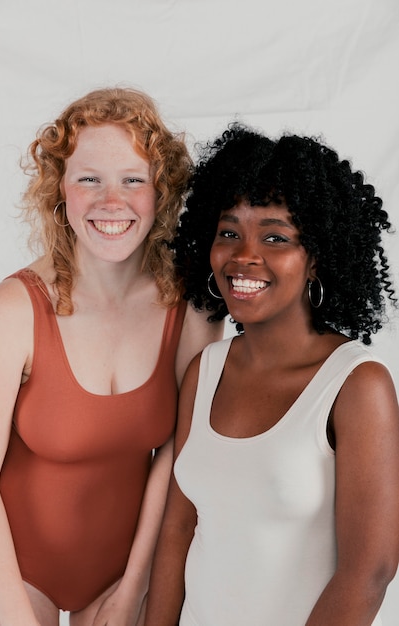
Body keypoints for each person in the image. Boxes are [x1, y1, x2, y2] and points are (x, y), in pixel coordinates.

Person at [0, 87, 223, 626]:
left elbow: (178, 457)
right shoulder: (11, 310)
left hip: (123, 574)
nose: (110, 201)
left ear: (160, 193)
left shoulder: (193, 310)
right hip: (10, 574)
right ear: (59, 190)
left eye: (133, 180)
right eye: (89, 178)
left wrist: (133, 590)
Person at [144, 123, 399, 626]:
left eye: (275, 236)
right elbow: (177, 530)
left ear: (316, 257)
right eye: (229, 232)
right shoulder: (207, 369)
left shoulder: (355, 385)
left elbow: (369, 571)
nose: (244, 256)